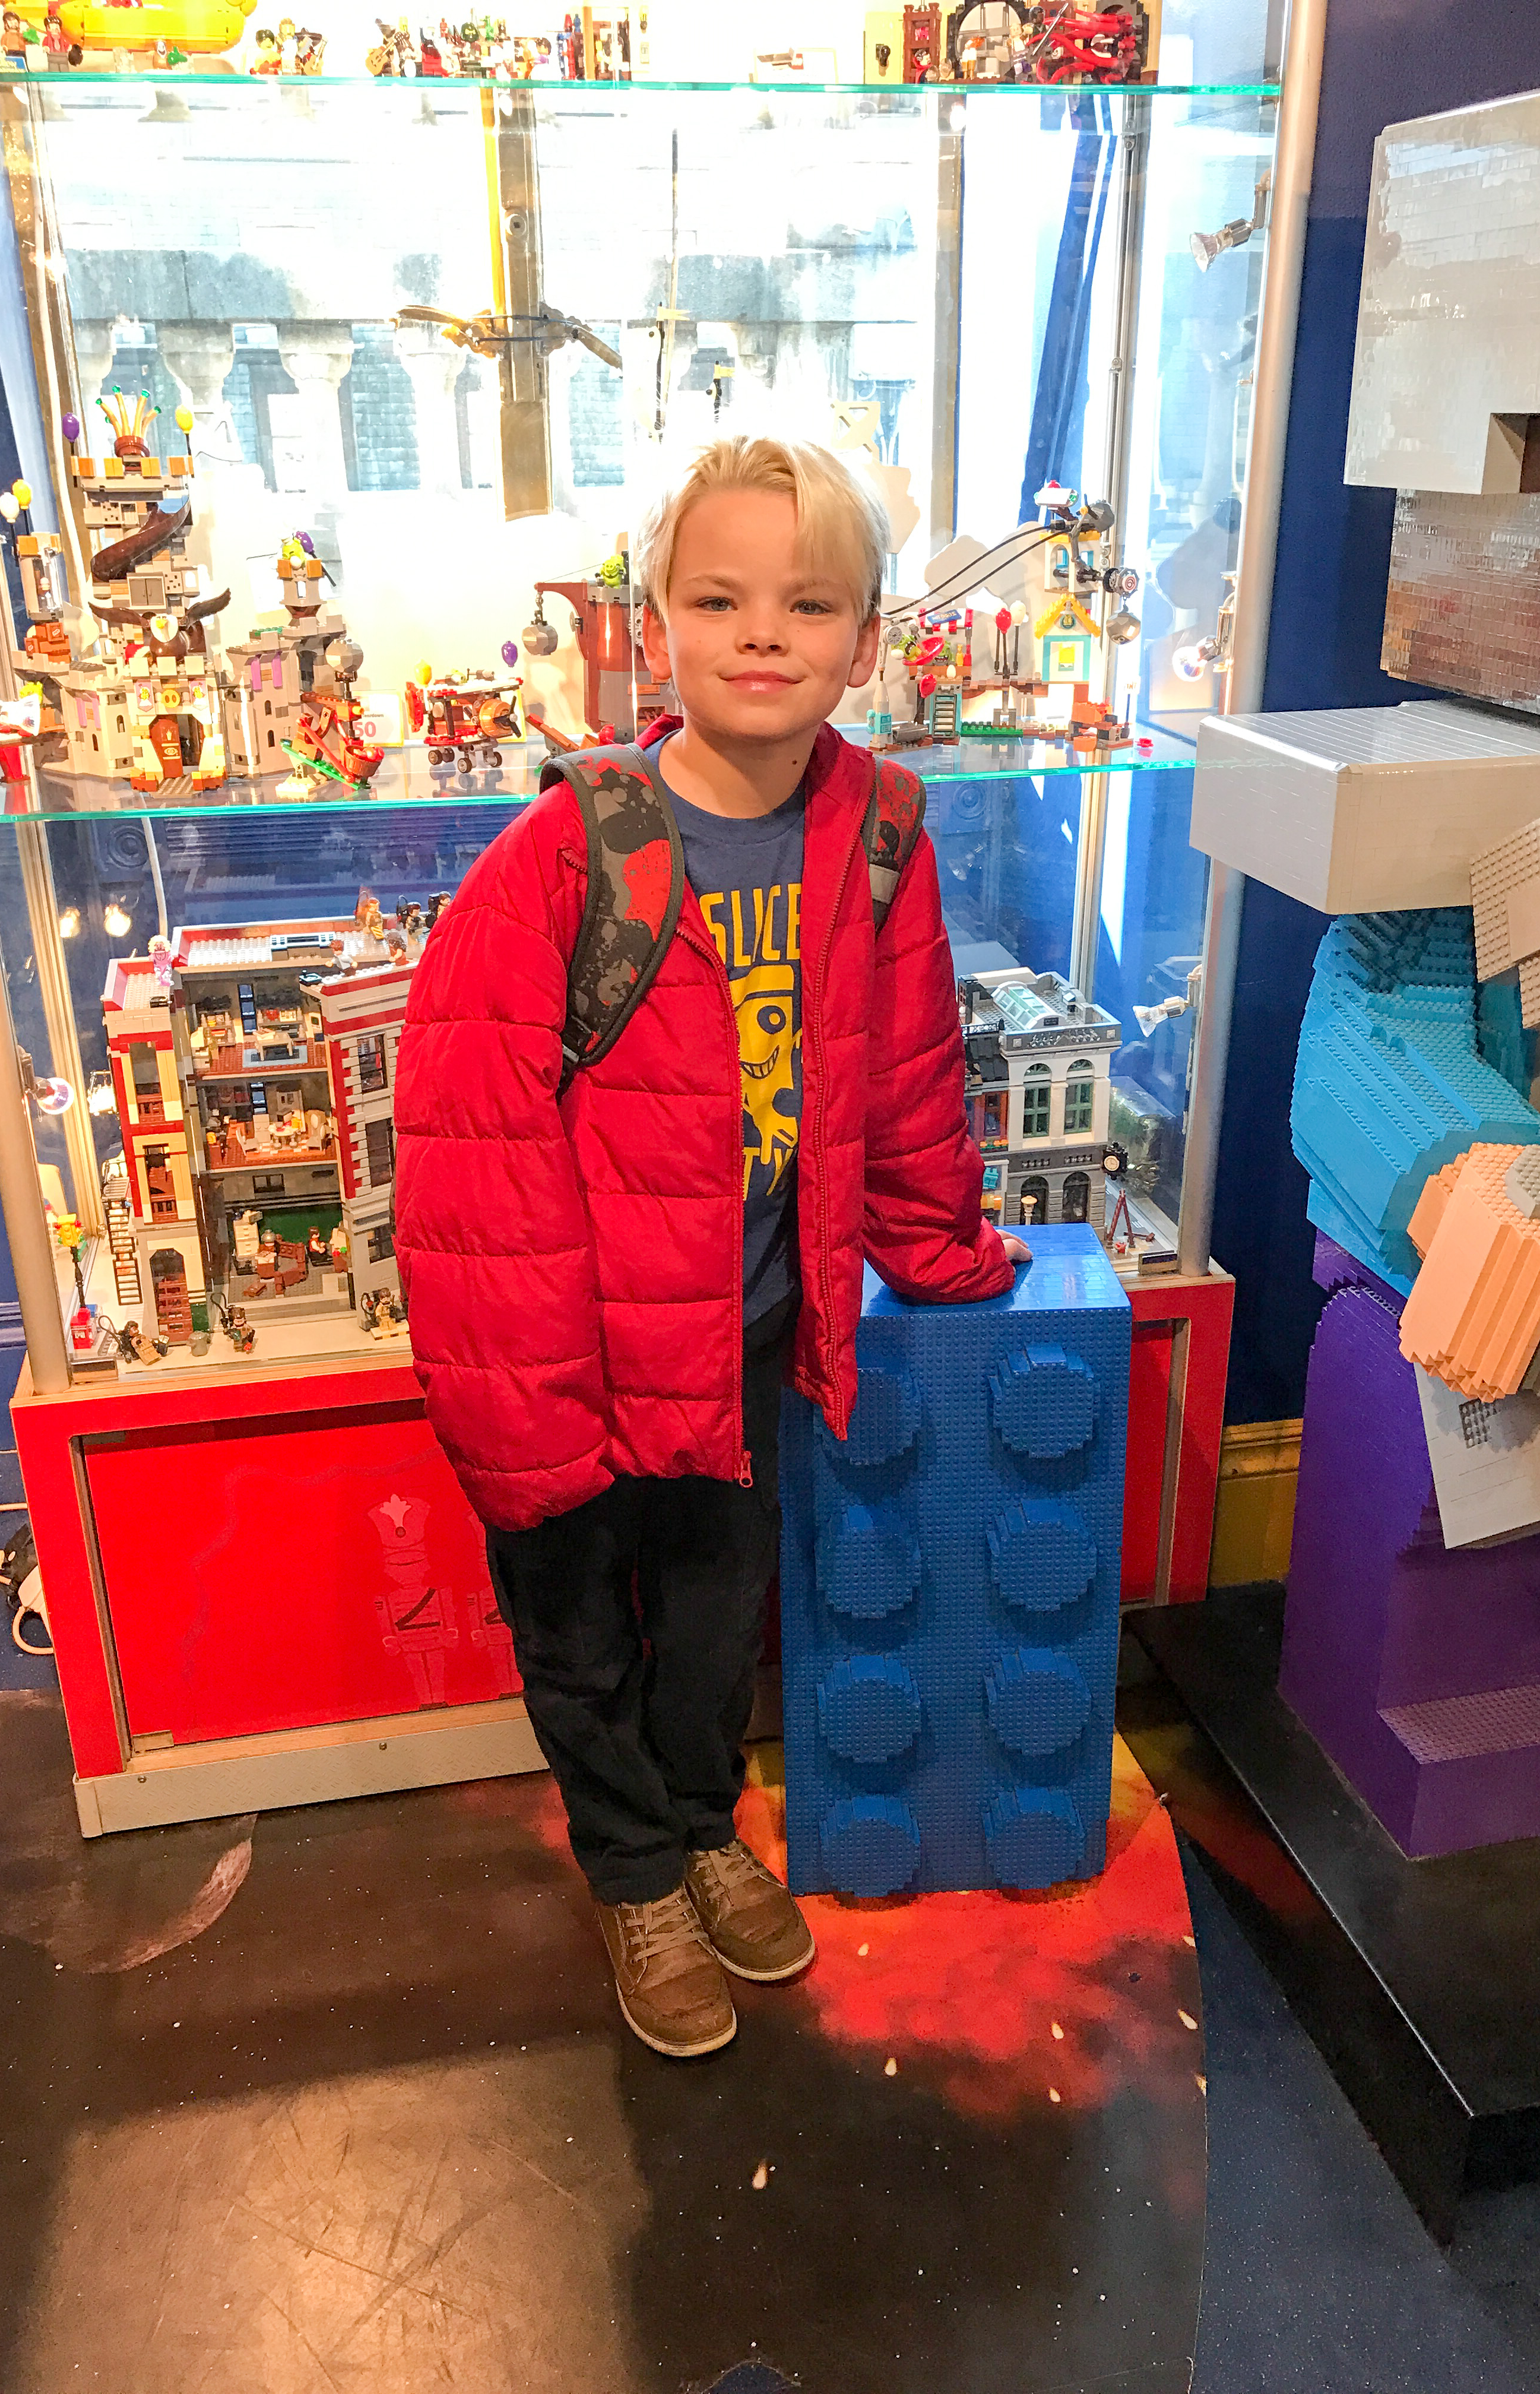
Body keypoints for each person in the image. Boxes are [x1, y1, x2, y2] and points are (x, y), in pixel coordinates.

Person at [395, 435, 1026, 2059]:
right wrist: (526, 1415)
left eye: (808, 604)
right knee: (579, 1632)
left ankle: (695, 1827)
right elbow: (472, 1151)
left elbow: (906, 1071)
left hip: (743, 1329)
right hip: (574, 1348)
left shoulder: (878, 834)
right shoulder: (565, 855)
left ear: (866, 640)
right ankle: (632, 1872)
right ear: (657, 623)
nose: (763, 635)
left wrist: (946, 1253)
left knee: (715, 1611)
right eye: (720, 598)